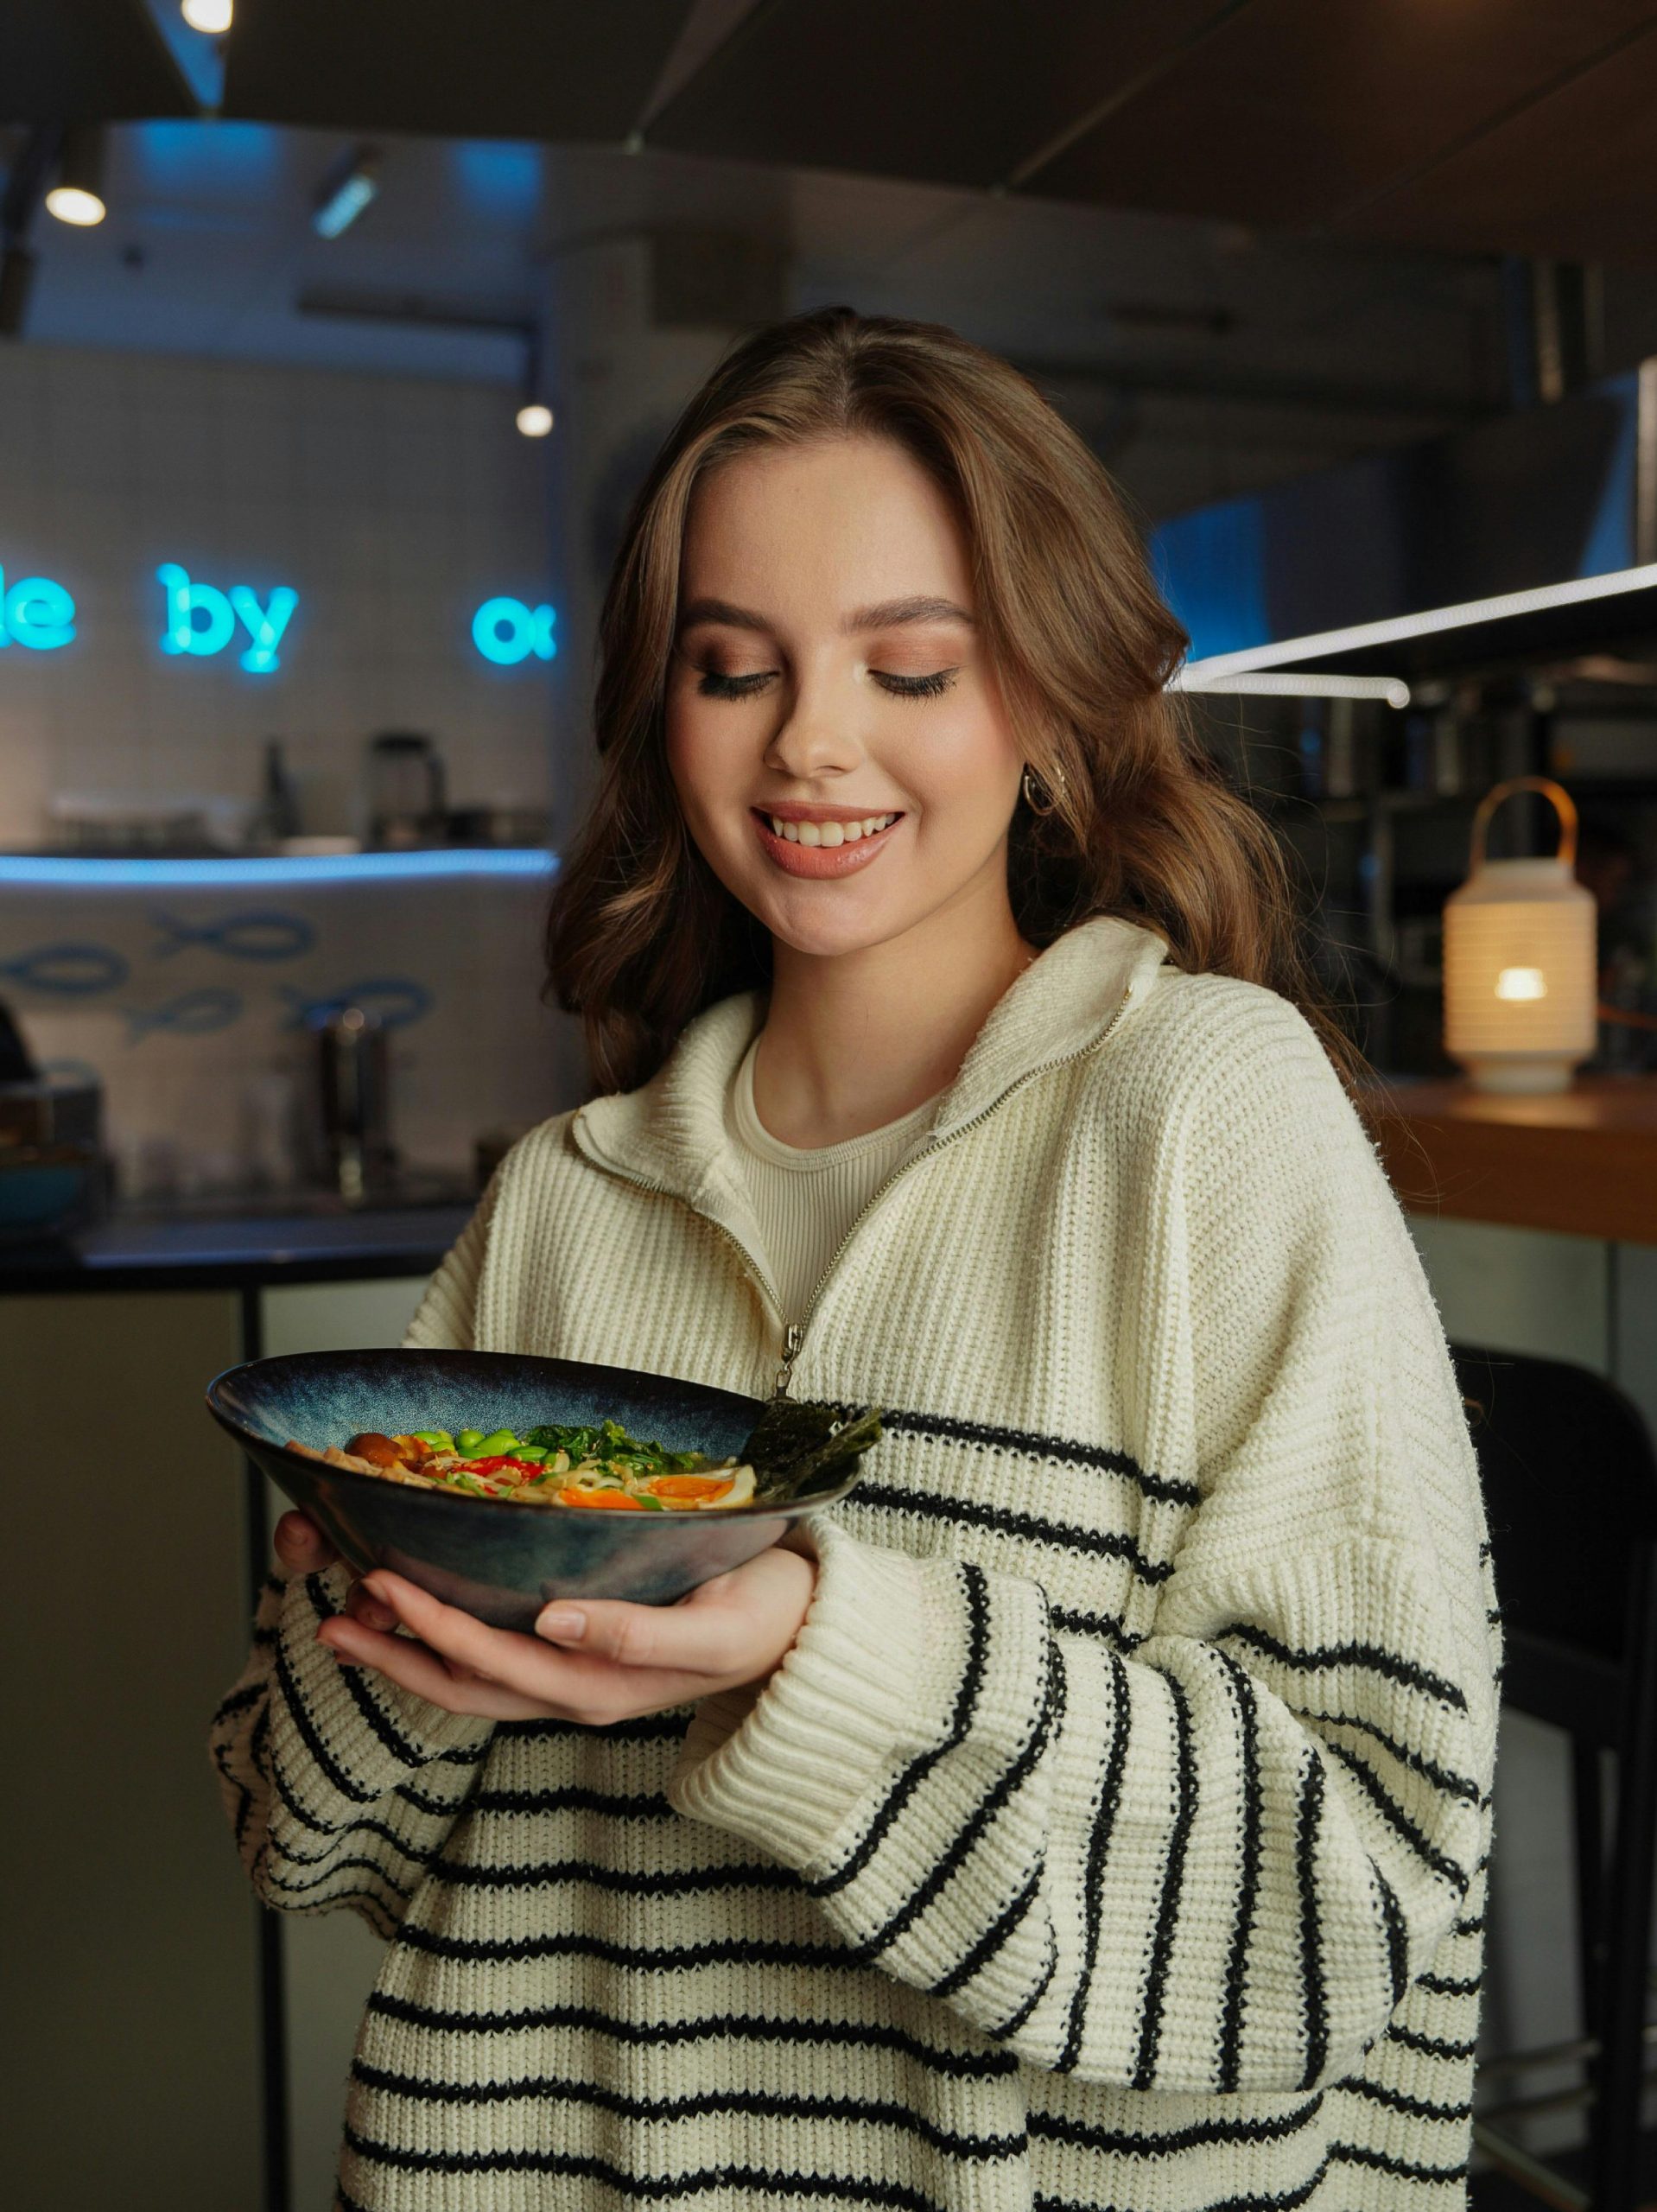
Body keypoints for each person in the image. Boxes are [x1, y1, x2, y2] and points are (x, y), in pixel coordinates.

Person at [211, 307, 1500, 2212]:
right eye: (733, 668)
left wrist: (821, 1651)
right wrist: (402, 1615)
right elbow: (300, 1836)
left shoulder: (1207, 1115)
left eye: (908, 664)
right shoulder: (565, 1196)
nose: (811, 740)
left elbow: (1354, 1900)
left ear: (1049, 702)